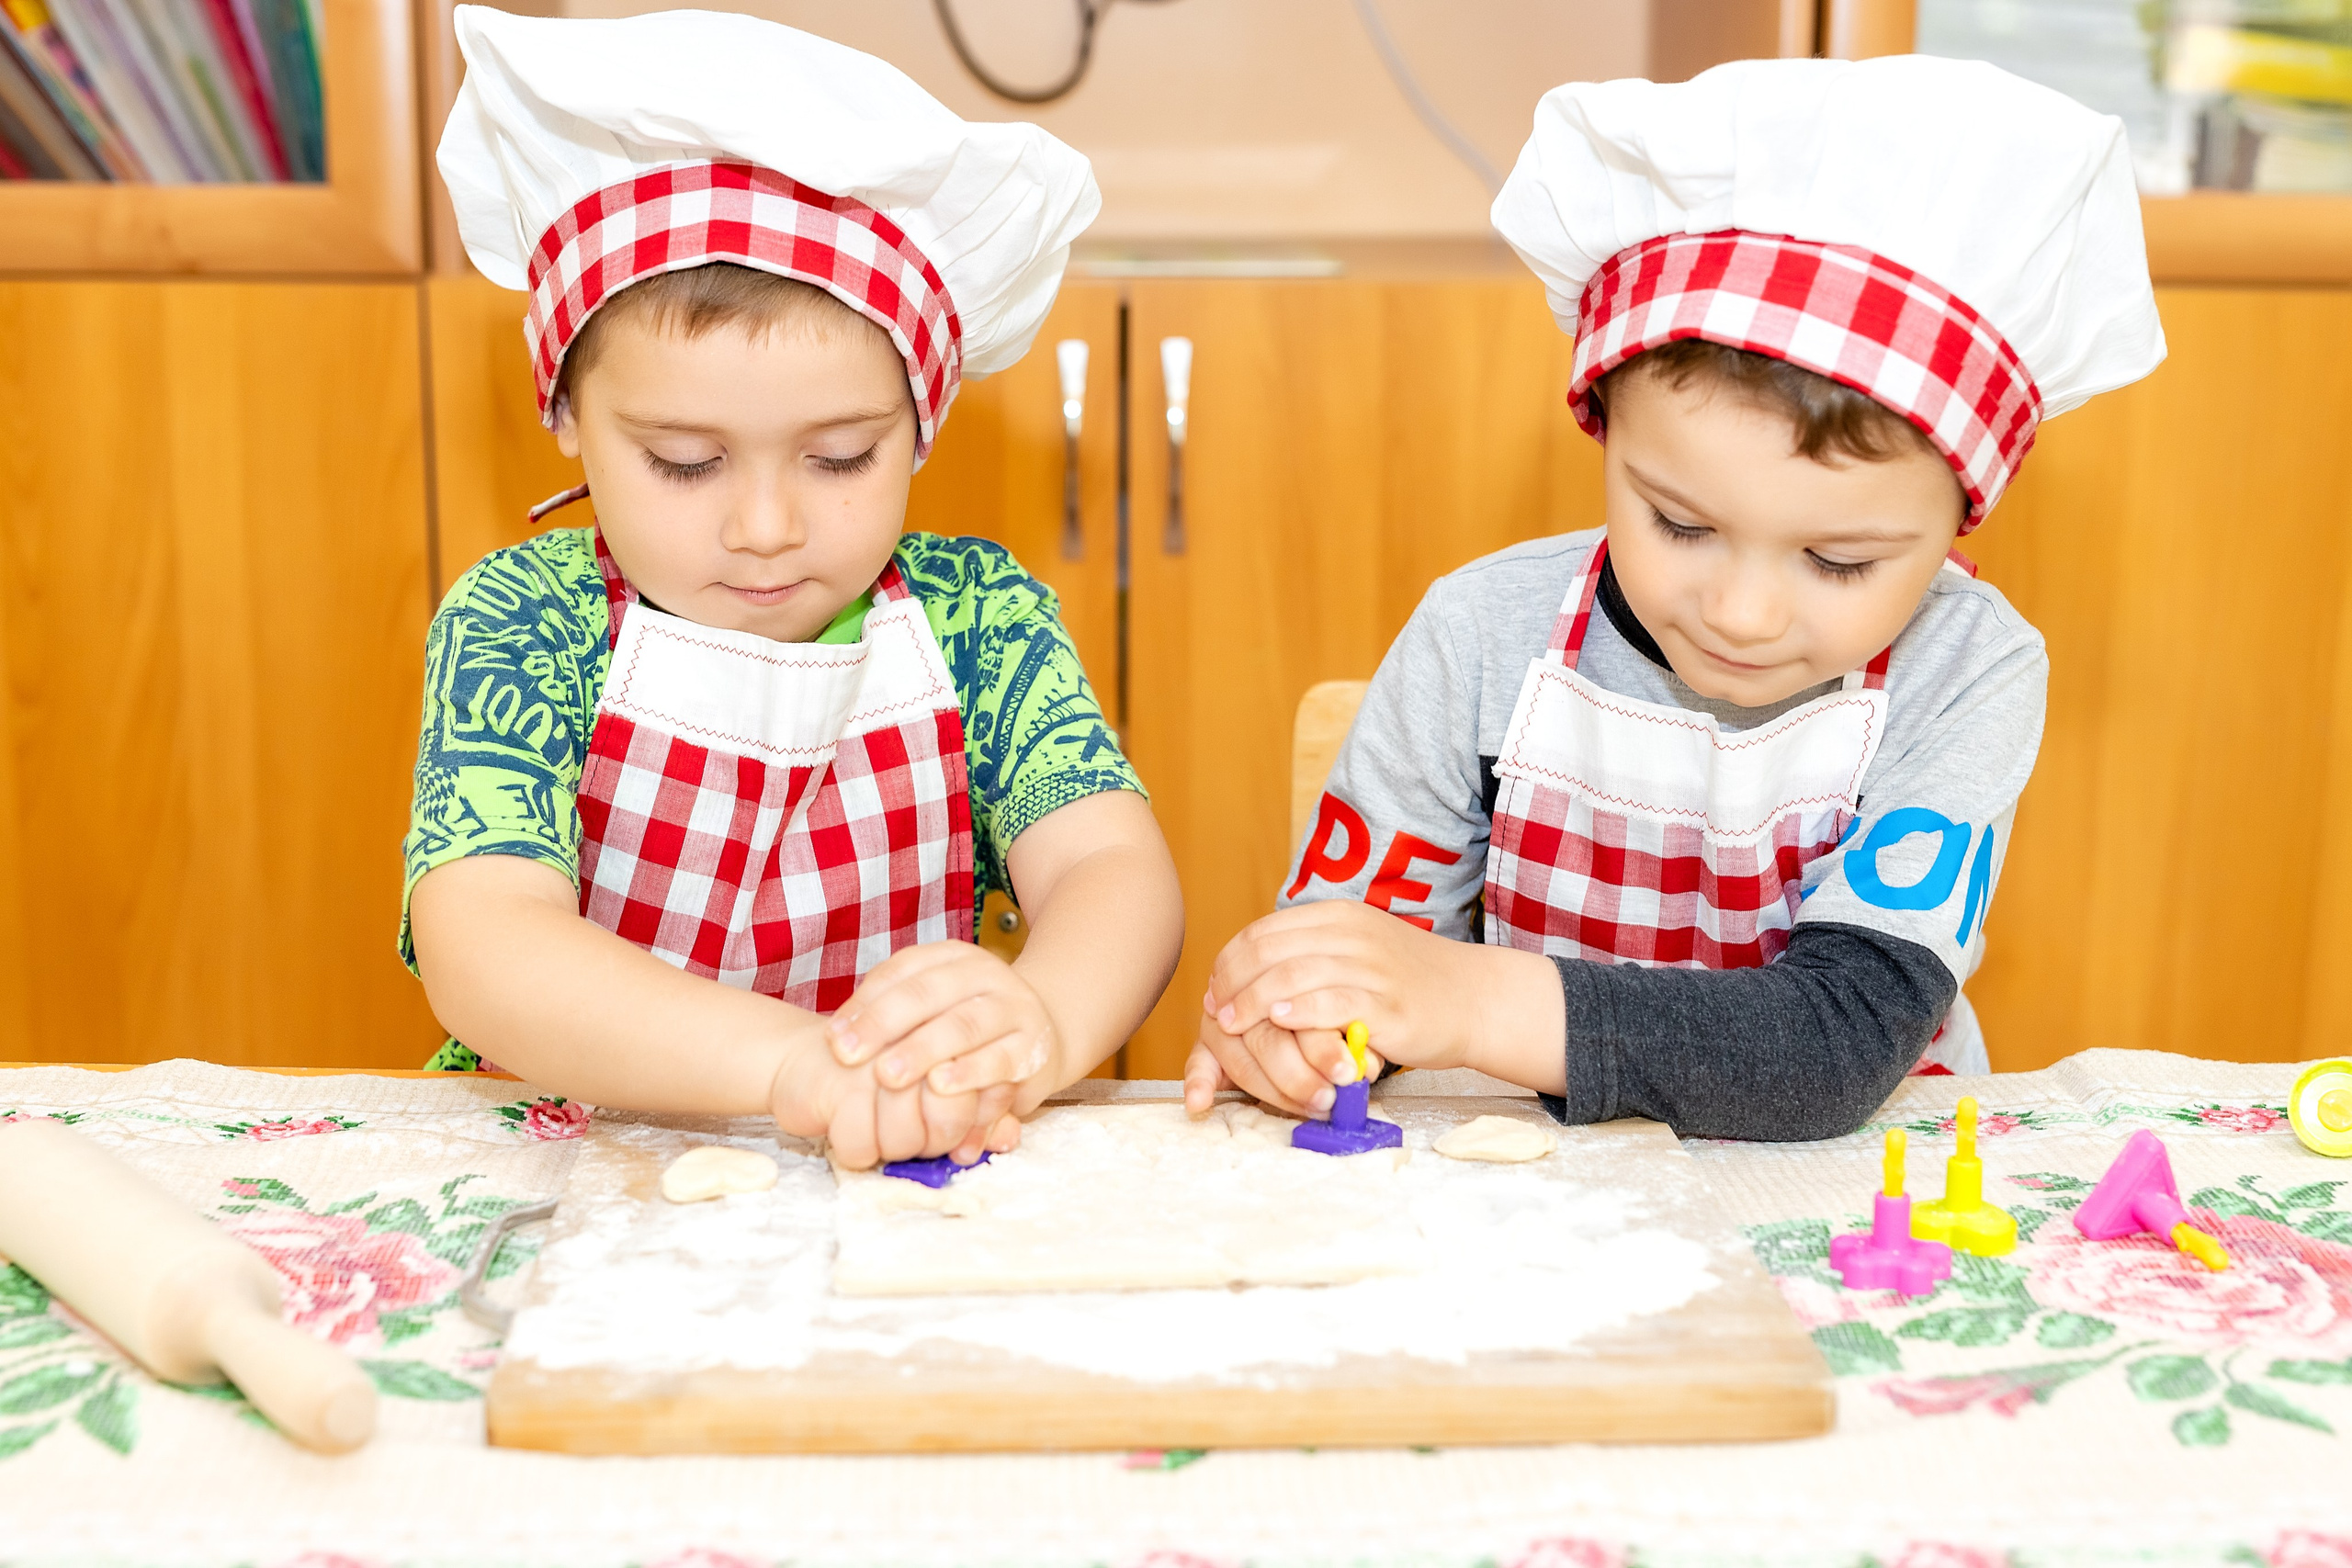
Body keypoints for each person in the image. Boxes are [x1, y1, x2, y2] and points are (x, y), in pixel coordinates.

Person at [1187, 56, 2165, 1141]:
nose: (1740, 613)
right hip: (1530, 1171)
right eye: (1681, 526)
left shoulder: (1966, 667)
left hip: (1851, 1188)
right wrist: (1302, 1021)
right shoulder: (1479, 635)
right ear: (1603, 430)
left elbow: (1830, 1047)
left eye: (1839, 562)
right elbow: (1349, 963)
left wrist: (1462, 997)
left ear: (1958, 518)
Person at [404, 7, 1182, 1168]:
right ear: (565, 415)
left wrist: (1041, 1021)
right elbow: (486, 939)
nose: (765, 529)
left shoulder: (978, 618)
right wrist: (791, 1067)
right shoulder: (526, 620)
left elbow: (1109, 868)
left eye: (837, 460)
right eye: (683, 461)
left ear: (921, 427)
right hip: (578, 1166)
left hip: (906, 1158)